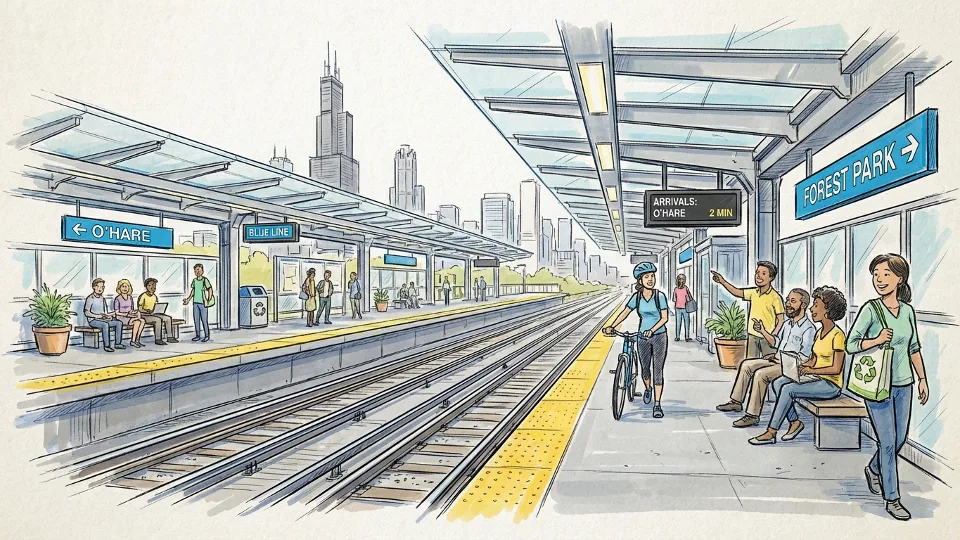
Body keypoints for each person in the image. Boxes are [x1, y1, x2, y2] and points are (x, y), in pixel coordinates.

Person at [847, 254, 929, 521]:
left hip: (904, 384)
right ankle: (892, 498)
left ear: (899, 278)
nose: (879, 280)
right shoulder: (871, 309)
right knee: (886, 442)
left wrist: (922, 378)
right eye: (876, 274)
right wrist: (876, 340)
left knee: (898, 440)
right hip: (877, 386)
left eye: (885, 274)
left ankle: (873, 470)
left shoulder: (907, 311)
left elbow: (914, 347)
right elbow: (851, 344)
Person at [749, 286, 848, 446]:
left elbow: (836, 368)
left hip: (830, 384)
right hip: (815, 377)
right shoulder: (819, 332)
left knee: (788, 389)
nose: (812, 308)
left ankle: (771, 432)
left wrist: (811, 370)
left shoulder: (838, 335)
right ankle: (795, 422)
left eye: (816, 305)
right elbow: (815, 359)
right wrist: (802, 367)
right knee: (778, 382)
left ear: (827, 310)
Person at [717, 288, 816, 427]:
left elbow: (804, 358)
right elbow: (776, 342)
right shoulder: (787, 324)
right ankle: (736, 402)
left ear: (803, 305)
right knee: (746, 365)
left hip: (790, 367)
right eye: (787, 300)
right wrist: (763, 331)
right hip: (777, 360)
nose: (787, 303)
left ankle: (752, 415)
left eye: (792, 301)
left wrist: (781, 359)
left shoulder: (808, 328)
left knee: (761, 375)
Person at [602, 262, 670, 418]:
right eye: (647, 277)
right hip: (642, 337)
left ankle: (657, 404)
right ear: (640, 280)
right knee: (645, 370)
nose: (651, 279)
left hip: (659, 336)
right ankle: (648, 389)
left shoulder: (660, 296)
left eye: (652, 276)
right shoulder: (637, 297)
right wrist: (612, 326)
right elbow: (625, 312)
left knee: (657, 371)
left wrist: (651, 330)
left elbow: (664, 318)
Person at [711, 261, 785, 359]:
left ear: (771, 277)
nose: (759, 276)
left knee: (768, 364)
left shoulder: (775, 297)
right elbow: (736, 292)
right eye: (757, 272)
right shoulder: (753, 292)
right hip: (752, 336)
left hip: (767, 338)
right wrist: (722, 281)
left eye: (763, 273)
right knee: (750, 363)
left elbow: (781, 320)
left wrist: (773, 335)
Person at [84, 278, 125, 352]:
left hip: (102, 319)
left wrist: (108, 316)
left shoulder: (102, 298)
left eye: (102, 287)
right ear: (94, 287)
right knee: (105, 325)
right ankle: (107, 346)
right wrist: (97, 316)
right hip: (93, 320)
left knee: (119, 323)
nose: (100, 289)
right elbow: (86, 313)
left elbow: (105, 312)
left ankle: (118, 343)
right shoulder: (90, 298)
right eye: (99, 286)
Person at [138, 278, 176, 345]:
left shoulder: (155, 296)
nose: (152, 287)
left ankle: (170, 337)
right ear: (146, 286)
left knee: (168, 318)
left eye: (154, 285)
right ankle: (158, 339)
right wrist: (147, 311)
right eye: (150, 285)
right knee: (158, 320)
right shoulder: (143, 296)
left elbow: (156, 306)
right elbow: (140, 308)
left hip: (154, 313)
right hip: (145, 315)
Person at [182, 263, 213, 342]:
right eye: (196, 270)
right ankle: (198, 335)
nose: (197, 272)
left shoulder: (204, 280)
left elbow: (210, 289)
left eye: (199, 270)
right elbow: (193, 291)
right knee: (196, 320)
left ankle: (206, 335)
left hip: (203, 303)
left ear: (202, 271)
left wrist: (209, 299)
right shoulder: (194, 280)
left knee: (204, 320)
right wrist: (188, 299)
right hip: (195, 303)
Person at [114, 279, 145, 348]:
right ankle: (133, 341)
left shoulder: (130, 297)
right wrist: (127, 315)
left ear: (129, 288)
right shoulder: (117, 298)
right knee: (137, 322)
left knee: (142, 321)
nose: (125, 288)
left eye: (126, 286)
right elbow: (117, 313)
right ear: (119, 288)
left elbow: (131, 309)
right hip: (121, 317)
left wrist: (133, 312)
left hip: (129, 316)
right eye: (123, 286)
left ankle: (137, 340)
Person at [673, 274, 694, 342]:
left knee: (679, 322)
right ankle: (686, 337)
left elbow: (674, 299)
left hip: (678, 307)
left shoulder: (676, 289)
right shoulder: (686, 288)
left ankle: (678, 337)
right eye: (681, 279)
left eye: (682, 279)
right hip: (684, 307)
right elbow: (688, 298)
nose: (682, 280)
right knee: (686, 322)